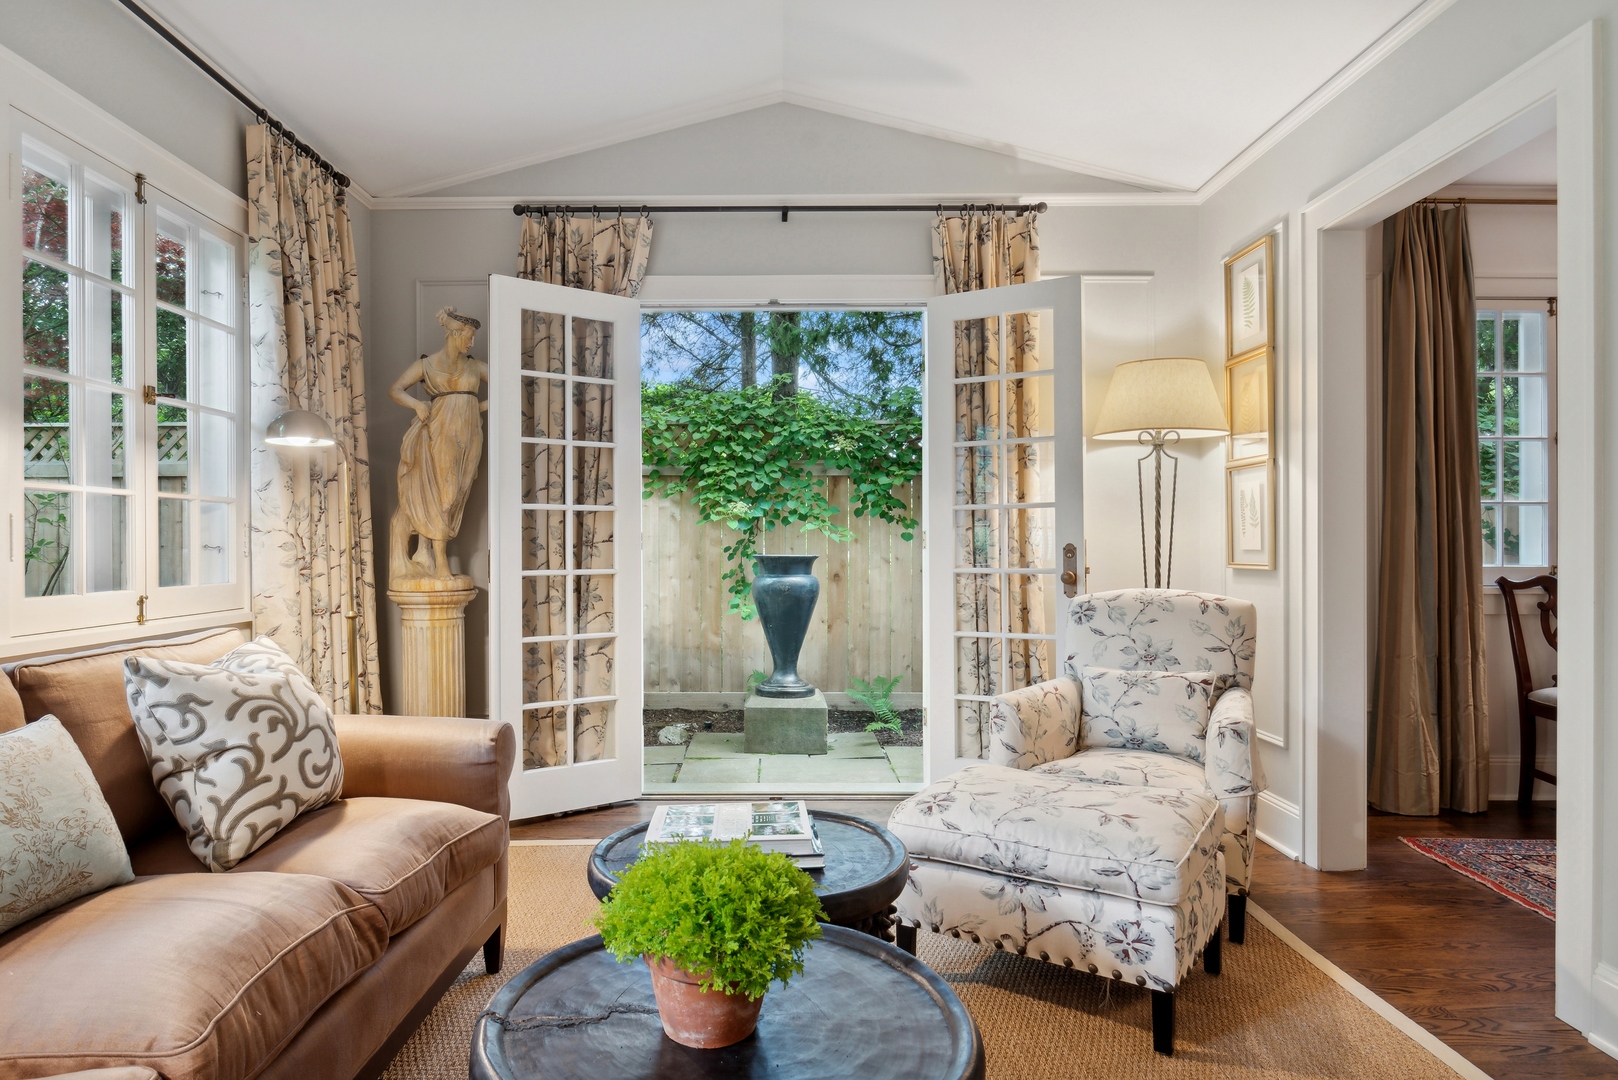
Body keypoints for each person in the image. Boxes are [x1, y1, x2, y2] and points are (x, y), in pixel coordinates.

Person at [388, 306, 487, 585]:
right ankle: (441, 563)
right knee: (446, 490)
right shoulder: (426, 366)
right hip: (439, 431)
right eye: (469, 335)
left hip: (469, 435)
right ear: (454, 334)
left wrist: (473, 407)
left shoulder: (474, 366)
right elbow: (395, 390)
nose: (472, 342)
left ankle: (429, 554)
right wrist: (418, 404)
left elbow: (511, 387)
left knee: (459, 491)